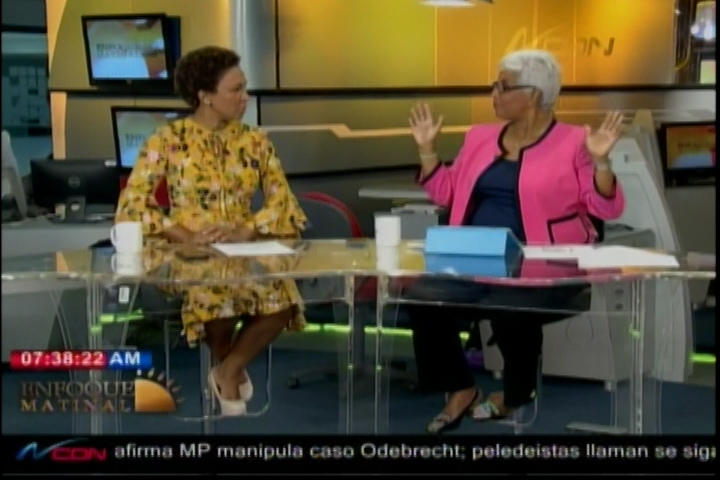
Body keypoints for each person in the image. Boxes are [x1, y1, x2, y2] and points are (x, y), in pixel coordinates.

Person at [406, 49, 626, 434]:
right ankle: (460, 388)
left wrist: (602, 163)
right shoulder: (479, 137)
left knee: (510, 304)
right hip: (477, 260)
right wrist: (427, 150)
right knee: (423, 297)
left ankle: (515, 394)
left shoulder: (576, 142)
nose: (493, 93)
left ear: (534, 95)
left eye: (503, 86)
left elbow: (605, 208)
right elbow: (446, 194)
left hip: (546, 266)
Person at [115, 46, 308, 417]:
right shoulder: (167, 140)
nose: (244, 97)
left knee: (282, 297)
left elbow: (282, 200)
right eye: (235, 90)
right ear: (204, 95)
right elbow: (133, 203)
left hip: (243, 248)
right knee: (215, 292)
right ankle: (228, 368)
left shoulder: (255, 141)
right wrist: (184, 235)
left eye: (244, 87)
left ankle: (228, 369)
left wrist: (249, 229)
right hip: (190, 253)